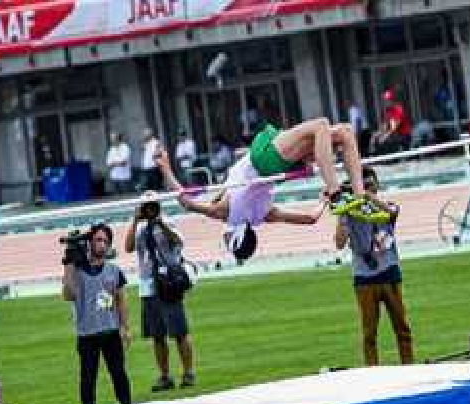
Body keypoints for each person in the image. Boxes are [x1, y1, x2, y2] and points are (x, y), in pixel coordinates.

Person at [155, 119, 389, 262]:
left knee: (345, 132)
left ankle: (359, 199)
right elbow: (187, 203)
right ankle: (339, 194)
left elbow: (310, 219)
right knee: (321, 125)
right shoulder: (226, 212)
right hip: (265, 157)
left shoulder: (263, 215)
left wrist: (323, 201)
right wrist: (166, 168)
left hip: (275, 161)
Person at [334, 166, 413, 366]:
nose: (369, 188)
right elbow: (339, 243)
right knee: (369, 333)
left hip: (389, 272)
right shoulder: (349, 211)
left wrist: (367, 196)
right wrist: (343, 216)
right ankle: (373, 373)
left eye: (371, 184)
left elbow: (391, 212)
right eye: (364, 184)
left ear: (377, 184)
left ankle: (409, 367)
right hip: (364, 278)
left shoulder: (386, 205)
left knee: (402, 328)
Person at [124, 192, 196, 392]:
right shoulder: (140, 229)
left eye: (152, 205)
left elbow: (178, 242)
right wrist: (135, 220)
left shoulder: (168, 223)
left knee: (180, 332)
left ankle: (188, 372)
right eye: (146, 206)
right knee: (157, 335)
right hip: (148, 285)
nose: (150, 210)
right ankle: (164, 376)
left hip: (168, 284)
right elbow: (128, 248)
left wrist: (161, 224)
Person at [62, 223, 132, 404]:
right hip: (87, 334)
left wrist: (125, 327)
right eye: (98, 240)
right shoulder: (77, 271)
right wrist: (68, 263)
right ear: (89, 243)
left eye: (105, 241)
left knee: (118, 372)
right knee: (87, 377)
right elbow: (68, 295)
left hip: (110, 331)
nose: (101, 244)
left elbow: (121, 300)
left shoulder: (114, 270)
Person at [369, 90, 412, 155]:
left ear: (392, 101)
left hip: (404, 135)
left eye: (387, 100)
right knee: (377, 138)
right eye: (384, 100)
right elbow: (385, 126)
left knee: (385, 141)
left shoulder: (398, 109)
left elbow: (394, 127)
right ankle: (378, 157)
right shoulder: (387, 111)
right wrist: (376, 135)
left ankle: (390, 160)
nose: (385, 102)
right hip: (396, 135)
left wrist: (384, 136)